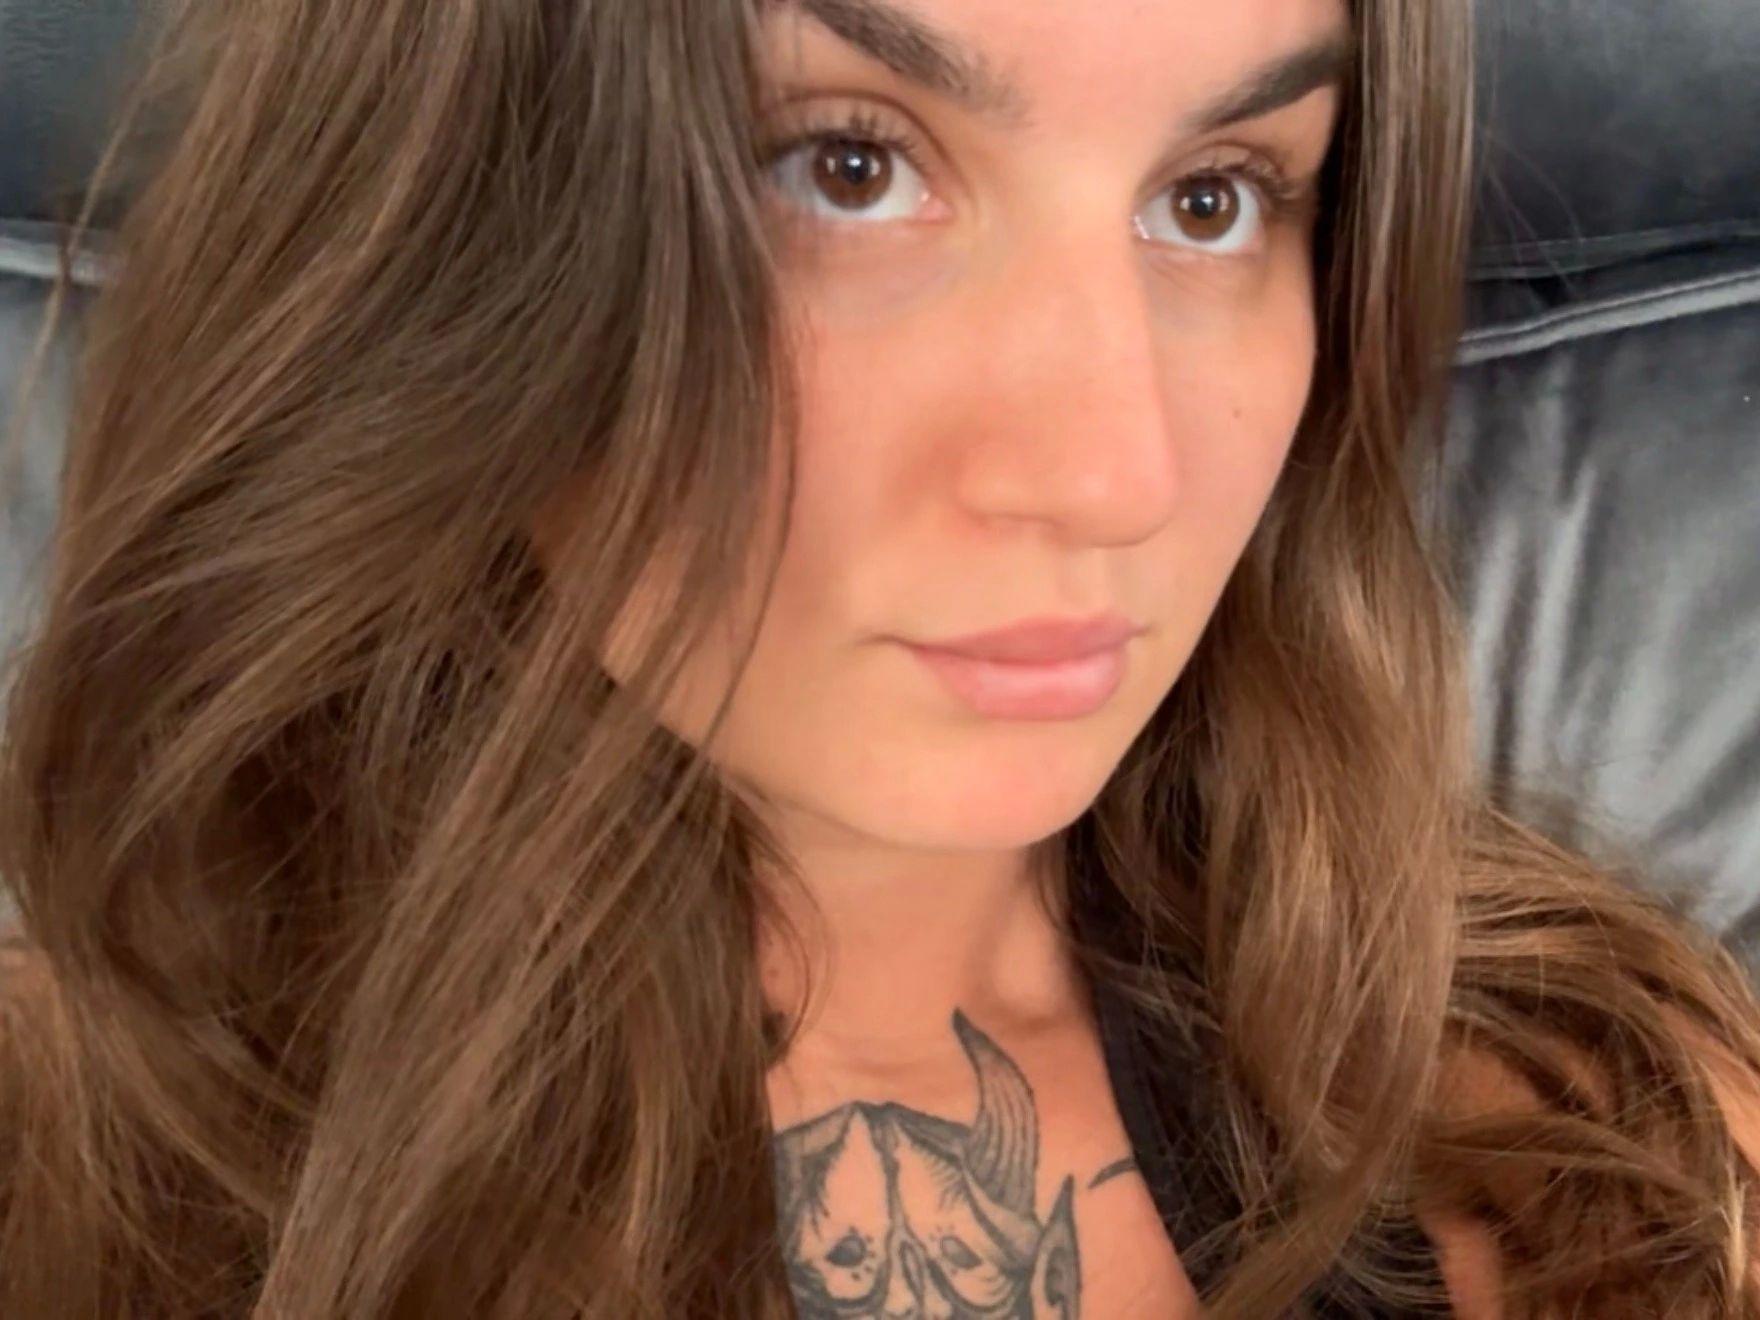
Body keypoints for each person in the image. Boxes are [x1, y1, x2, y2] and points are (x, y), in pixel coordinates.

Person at [3, 0, 1759, 1315]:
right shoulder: (76, 1158)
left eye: (1214, 199)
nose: (1114, 474)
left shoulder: (1591, 1135)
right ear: (441, 238)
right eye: (847, 167)